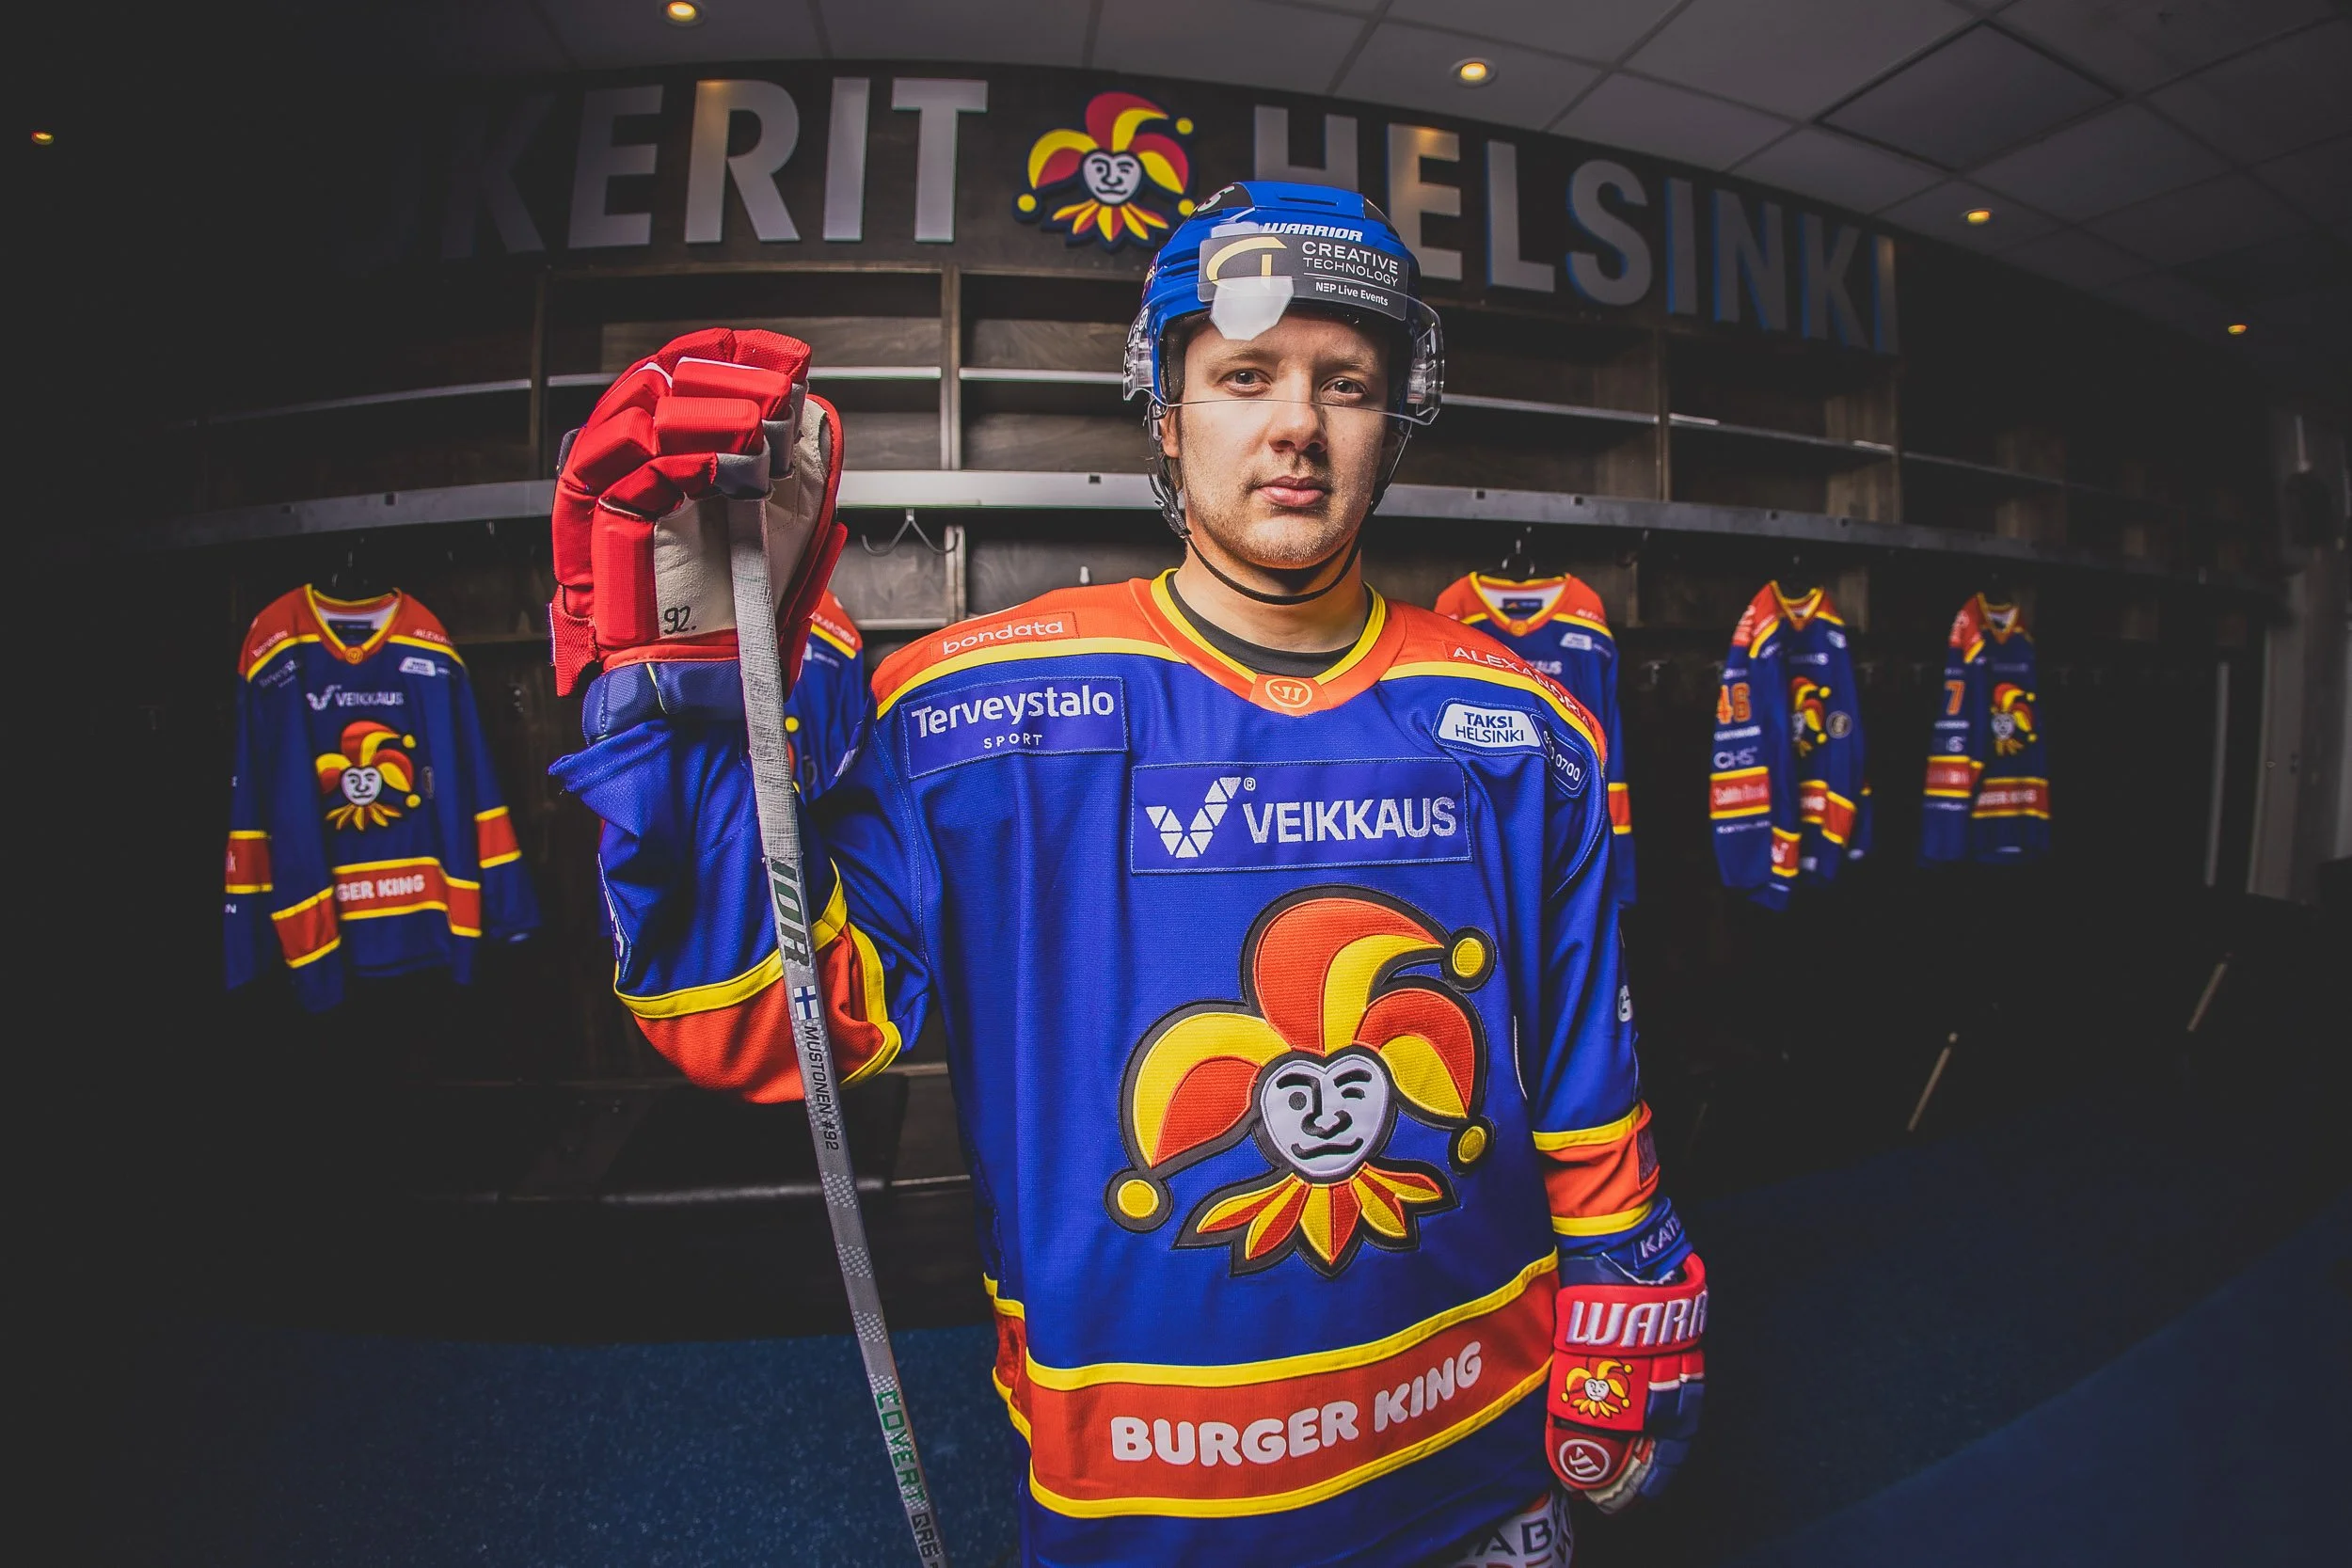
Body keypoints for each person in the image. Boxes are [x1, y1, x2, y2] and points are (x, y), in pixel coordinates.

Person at [552, 183, 1705, 1567]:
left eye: (1345, 382)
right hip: (1150, 1494)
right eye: (1246, 376)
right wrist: (686, 703)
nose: (1298, 424)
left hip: (1479, 1451)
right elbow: (752, 1028)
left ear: (1395, 415)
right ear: (1166, 414)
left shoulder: (1522, 718)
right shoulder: (966, 712)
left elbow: (1579, 1063)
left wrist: (1630, 1263)